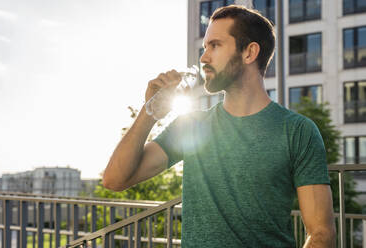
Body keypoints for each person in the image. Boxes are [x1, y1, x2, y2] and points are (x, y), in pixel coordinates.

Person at [103, 5, 336, 248]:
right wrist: (150, 111)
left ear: (249, 53)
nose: (204, 57)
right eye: (205, 48)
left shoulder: (298, 131)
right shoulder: (191, 125)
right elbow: (114, 180)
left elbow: (321, 234)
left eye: (215, 45)